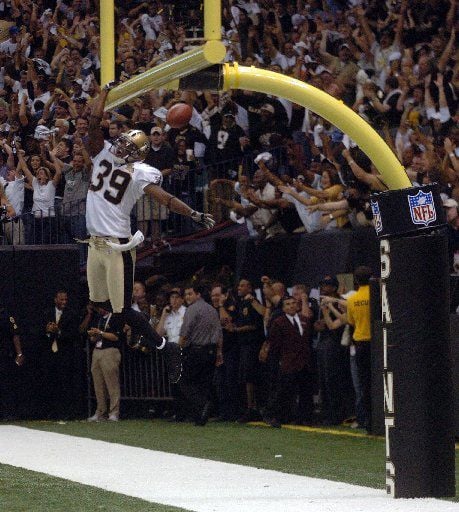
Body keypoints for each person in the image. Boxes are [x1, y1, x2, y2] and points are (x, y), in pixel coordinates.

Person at [85, 84, 215, 353]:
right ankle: (157, 343)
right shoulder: (103, 152)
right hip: (94, 243)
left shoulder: (140, 172)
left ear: (136, 153)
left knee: (119, 313)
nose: (119, 145)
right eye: (120, 142)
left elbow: (165, 197)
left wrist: (192, 212)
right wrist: (104, 94)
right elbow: (94, 121)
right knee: (100, 303)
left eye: (126, 145)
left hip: (118, 244)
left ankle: (163, 346)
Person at [262, 296, 314, 428]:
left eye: (293, 304)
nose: (291, 306)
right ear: (283, 308)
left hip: (304, 361)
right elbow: (275, 344)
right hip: (288, 361)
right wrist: (277, 361)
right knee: (283, 391)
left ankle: (305, 417)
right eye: (287, 304)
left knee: (305, 391)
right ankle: (274, 415)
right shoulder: (279, 322)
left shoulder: (305, 320)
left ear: (297, 306)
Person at [179, 284, 223, 426]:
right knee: (204, 383)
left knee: (185, 381)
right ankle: (200, 416)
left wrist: (178, 349)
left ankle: (202, 405)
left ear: (198, 295)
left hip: (196, 350)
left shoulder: (192, 309)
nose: (187, 297)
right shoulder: (212, 310)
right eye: (186, 294)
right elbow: (219, 333)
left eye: (190, 294)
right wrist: (219, 352)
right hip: (211, 350)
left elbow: (185, 332)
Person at [41, 290, 79, 420]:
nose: (64, 302)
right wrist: (47, 331)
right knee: (49, 383)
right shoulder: (46, 313)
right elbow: (38, 333)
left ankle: (66, 413)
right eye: (61, 300)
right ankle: (50, 412)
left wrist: (59, 331)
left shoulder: (71, 314)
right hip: (49, 355)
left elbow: (74, 335)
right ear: (55, 299)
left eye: (65, 300)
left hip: (64, 354)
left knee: (65, 384)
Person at [86, 304, 124, 422]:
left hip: (110, 351)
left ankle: (114, 412)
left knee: (112, 383)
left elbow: (116, 337)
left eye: (100, 307)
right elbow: (94, 338)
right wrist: (93, 335)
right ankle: (100, 411)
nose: (99, 310)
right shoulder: (98, 318)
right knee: (98, 384)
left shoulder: (115, 318)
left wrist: (101, 333)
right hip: (97, 351)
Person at [346, 266, 373, 432]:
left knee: (364, 384)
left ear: (356, 280)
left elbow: (351, 323)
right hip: (376, 341)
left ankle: (368, 421)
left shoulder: (352, 299)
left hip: (360, 342)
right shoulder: (377, 294)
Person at [0, 306, 24, 420]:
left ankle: (7, 413)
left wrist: (19, 353)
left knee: (6, 385)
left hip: (4, 355)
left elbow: (15, 335)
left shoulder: (6, 316)